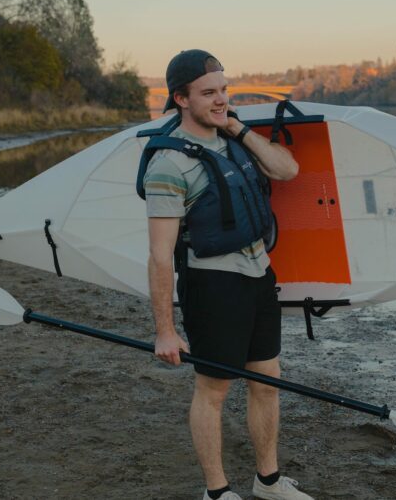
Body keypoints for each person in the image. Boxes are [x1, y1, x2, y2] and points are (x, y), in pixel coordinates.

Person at [143, 49, 311, 500]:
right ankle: (216, 492)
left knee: (267, 381)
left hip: (258, 275)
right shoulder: (168, 165)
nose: (220, 100)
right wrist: (165, 329)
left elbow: (287, 170)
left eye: (224, 90)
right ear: (180, 98)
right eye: (208, 93)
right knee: (214, 391)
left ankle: (268, 482)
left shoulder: (233, 137)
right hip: (213, 285)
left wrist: (237, 126)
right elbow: (160, 255)